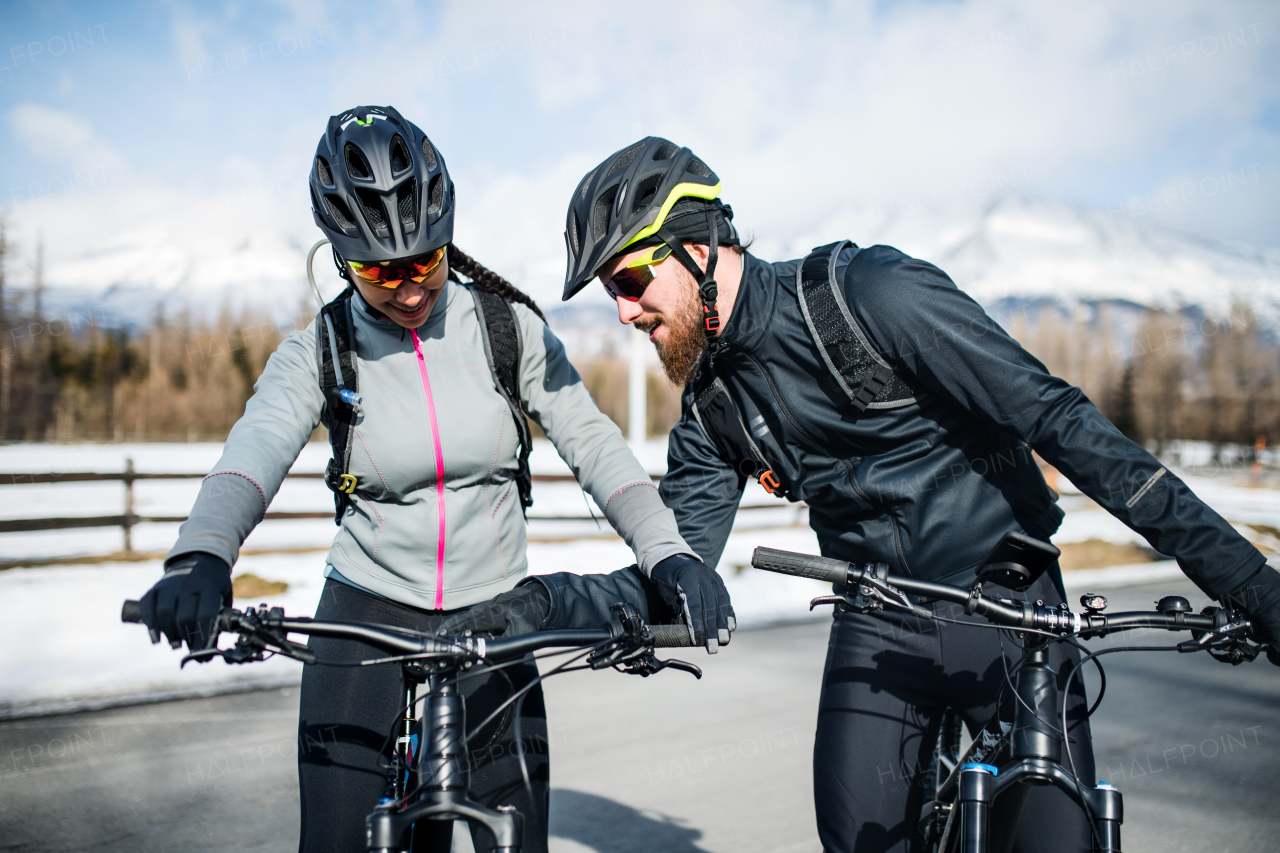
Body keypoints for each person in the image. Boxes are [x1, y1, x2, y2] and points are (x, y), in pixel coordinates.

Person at [558, 136, 1280, 853]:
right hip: (877, 622)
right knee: (857, 837)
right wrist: (520, 612)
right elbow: (672, 564)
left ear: (699, 248)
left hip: (1007, 607)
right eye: (609, 294)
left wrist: (1247, 581)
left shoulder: (872, 295)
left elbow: (1061, 421)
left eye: (628, 282)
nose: (624, 313)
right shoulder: (714, 405)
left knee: (1051, 839)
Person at [134, 108, 731, 853]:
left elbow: (597, 447)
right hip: (366, 605)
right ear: (342, 257)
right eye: (382, 272)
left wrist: (667, 552)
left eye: (424, 261)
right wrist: (202, 554)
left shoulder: (507, 329)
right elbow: (250, 454)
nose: (410, 289)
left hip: (496, 613)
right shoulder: (321, 348)